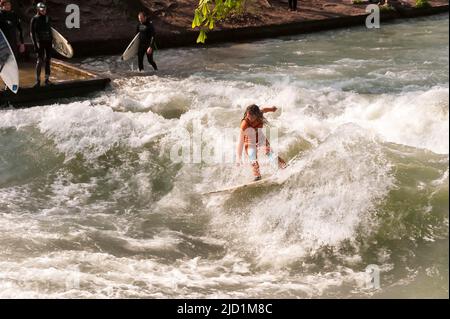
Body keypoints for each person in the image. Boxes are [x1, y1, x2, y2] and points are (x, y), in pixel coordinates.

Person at [236, 104, 287, 181]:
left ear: (257, 115)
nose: (249, 118)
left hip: (260, 137)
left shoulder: (259, 114)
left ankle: (284, 166)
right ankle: (257, 176)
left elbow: (263, 109)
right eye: (248, 115)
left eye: (252, 117)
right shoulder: (244, 124)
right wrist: (238, 158)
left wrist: (272, 109)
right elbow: (240, 142)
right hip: (249, 141)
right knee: (253, 158)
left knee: (269, 152)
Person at [30, 2, 53, 87]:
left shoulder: (48, 18)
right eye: (42, 10)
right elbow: (32, 33)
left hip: (48, 42)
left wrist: (54, 43)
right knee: (40, 61)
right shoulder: (34, 19)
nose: (44, 11)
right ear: (38, 10)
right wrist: (35, 45)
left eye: (45, 9)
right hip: (40, 42)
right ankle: (38, 81)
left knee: (48, 60)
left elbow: (51, 31)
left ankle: (47, 80)